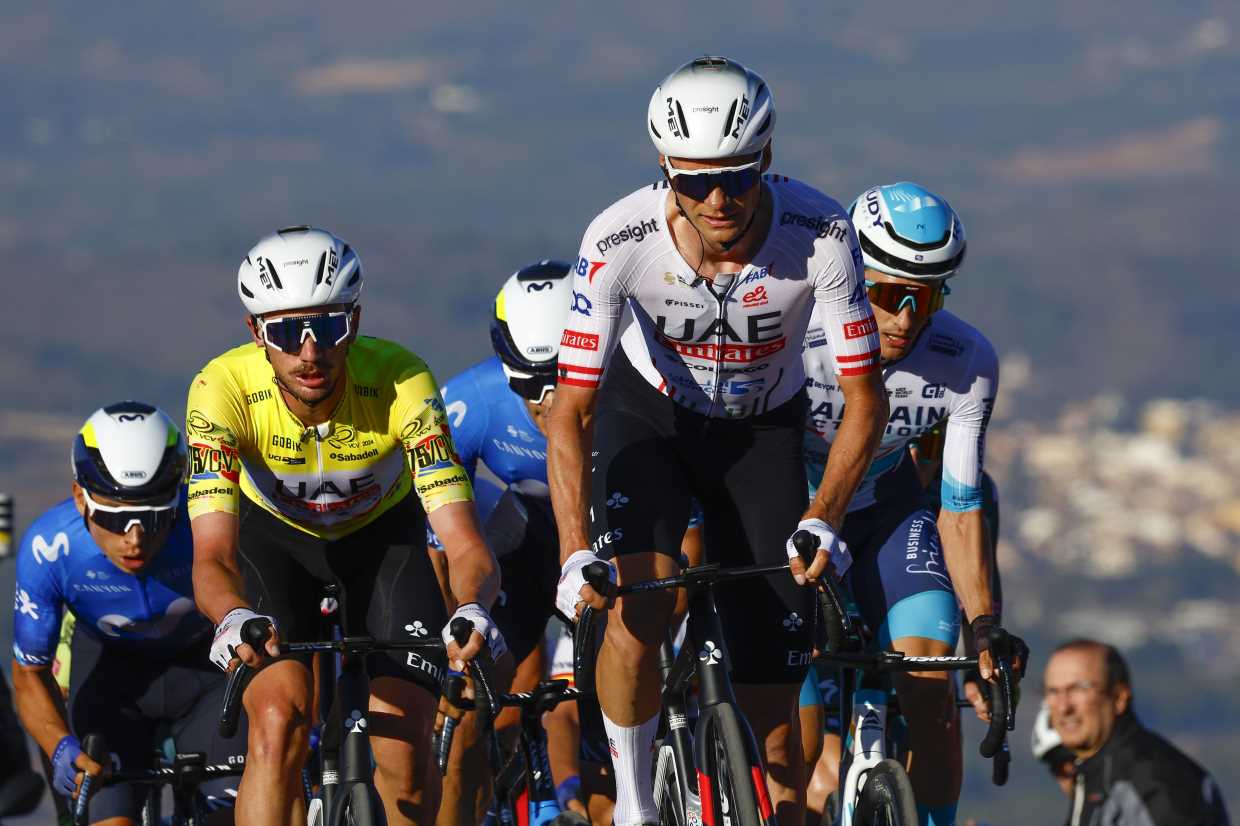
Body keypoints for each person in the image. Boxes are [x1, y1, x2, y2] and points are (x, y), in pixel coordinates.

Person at [548, 56, 888, 826]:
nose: (717, 199)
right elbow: (571, 411)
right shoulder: (618, 238)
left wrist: (825, 515)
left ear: (767, 157)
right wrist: (573, 552)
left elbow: (865, 399)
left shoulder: (822, 235)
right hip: (653, 420)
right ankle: (635, 807)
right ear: (664, 168)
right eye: (693, 181)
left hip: (762, 435)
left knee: (774, 702)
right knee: (638, 609)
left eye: (736, 176)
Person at [185, 226, 503, 826]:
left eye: (328, 327)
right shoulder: (220, 390)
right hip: (273, 543)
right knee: (277, 723)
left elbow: (463, 541)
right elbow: (213, 555)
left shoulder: (402, 380)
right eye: (286, 333)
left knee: (405, 747)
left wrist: (472, 606)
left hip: (382, 543)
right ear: (256, 333)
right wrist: (232, 615)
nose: (310, 353)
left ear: (354, 322)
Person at [432, 261, 703, 825]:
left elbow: (689, 534)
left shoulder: (643, 384)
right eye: (529, 384)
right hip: (528, 538)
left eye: (563, 374)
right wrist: (452, 652)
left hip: (615, 526)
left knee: (636, 649)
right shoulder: (470, 401)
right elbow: (441, 542)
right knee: (471, 706)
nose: (549, 400)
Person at [799, 182, 1025, 825]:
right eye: (885, 295)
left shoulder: (966, 360)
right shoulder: (794, 332)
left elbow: (961, 504)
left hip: (886, 519)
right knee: (798, 728)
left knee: (929, 684)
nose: (903, 318)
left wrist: (983, 623)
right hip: (787, 520)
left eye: (922, 299)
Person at [11, 402, 244, 825]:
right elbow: (29, 673)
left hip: (209, 677)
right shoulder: (50, 548)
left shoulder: (212, 524)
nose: (134, 539)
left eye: (152, 518)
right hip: (112, 684)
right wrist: (59, 747)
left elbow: (289, 607)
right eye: (114, 519)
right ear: (79, 496)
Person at [1043, 639, 1230, 826]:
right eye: (1053, 691)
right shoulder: (1096, 775)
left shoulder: (1156, 780)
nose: (1063, 707)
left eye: (1078, 689)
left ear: (1119, 697)